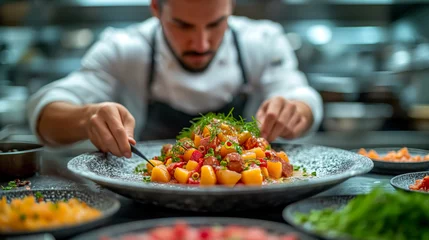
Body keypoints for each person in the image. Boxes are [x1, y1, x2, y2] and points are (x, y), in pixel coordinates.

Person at [27, 0, 323, 159]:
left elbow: (301, 95)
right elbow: (45, 115)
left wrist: (297, 109)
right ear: (156, 8)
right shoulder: (123, 49)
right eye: (183, 25)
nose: (201, 43)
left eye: (216, 23)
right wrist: (87, 117)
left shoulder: (263, 41)